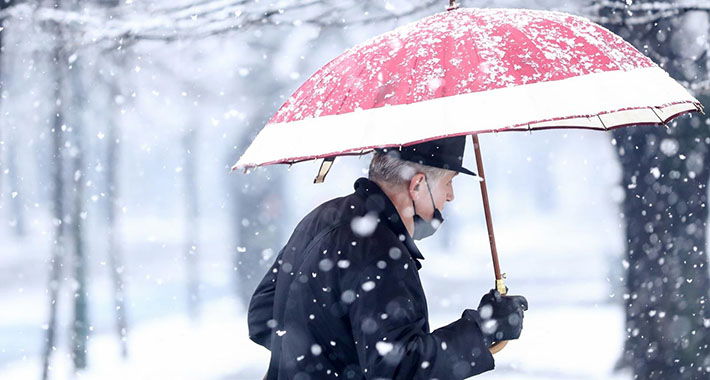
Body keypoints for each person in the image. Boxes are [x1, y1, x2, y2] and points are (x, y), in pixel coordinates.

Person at [248, 136, 528, 380]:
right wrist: (483, 330)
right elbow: (396, 368)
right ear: (417, 185)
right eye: (448, 183)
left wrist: (315, 358)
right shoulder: (378, 249)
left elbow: (263, 315)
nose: (451, 197)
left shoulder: (322, 217)